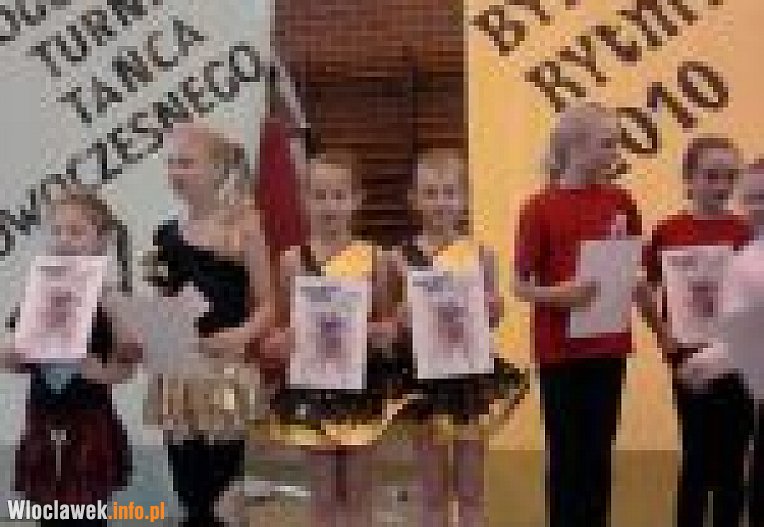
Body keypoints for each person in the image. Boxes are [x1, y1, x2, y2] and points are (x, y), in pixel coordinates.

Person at [513, 103, 641, 527]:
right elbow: (519, 286)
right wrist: (558, 295)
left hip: (608, 348)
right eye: (608, 144)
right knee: (566, 459)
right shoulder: (539, 207)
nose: (616, 152)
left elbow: (631, 267)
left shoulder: (622, 201)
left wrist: (637, 287)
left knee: (599, 457)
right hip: (560, 355)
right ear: (575, 148)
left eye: (617, 143)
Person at [145, 123, 276, 527]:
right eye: (171, 164)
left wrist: (243, 334)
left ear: (218, 170)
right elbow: (162, 305)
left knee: (224, 489)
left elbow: (269, 305)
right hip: (179, 376)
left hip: (225, 373)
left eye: (186, 163)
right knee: (189, 488)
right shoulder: (164, 235)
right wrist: (151, 327)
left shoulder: (243, 228)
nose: (176, 172)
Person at [265, 149, 403, 527]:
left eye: (339, 196)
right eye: (320, 196)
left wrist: (384, 332)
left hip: (361, 387)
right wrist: (280, 343)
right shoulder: (291, 261)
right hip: (312, 388)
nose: (329, 206)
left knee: (359, 497)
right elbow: (281, 329)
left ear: (356, 200)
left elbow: (387, 327)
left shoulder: (375, 258)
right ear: (305, 200)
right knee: (322, 500)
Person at [395, 148, 528, 527]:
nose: (441, 202)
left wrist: (493, 307)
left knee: (471, 492)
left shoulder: (481, 256)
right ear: (415, 199)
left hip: (470, 381)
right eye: (431, 193)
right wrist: (401, 318)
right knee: (432, 493)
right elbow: (392, 324)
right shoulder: (398, 258)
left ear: (465, 198)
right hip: (423, 381)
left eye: (449, 193)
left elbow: (493, 318)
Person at [1, 186, 142, 527]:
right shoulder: (40, 291)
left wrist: (100, 371)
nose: (64, 240)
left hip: (88, 420)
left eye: (76, 232)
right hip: (43, 418)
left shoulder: (111, 298)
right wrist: (12, 353)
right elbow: (15, 358)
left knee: (86, 515)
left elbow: (129, 362)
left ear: (101, 240)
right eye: (57, 231)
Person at [637, 136, 755, 527]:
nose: (722, 185)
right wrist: (662, 333)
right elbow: (642, 286)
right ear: (689, 179)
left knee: (732, 460)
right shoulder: (667, 231)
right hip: (688, 358)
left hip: (738, 360)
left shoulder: (745, 231)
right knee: (697, 456)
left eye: (730, 177)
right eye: (711, 176)